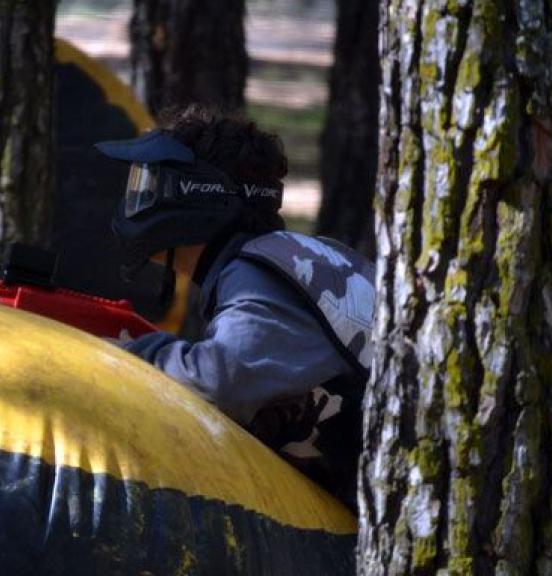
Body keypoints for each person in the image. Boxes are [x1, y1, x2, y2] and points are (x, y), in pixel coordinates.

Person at [94, 106, 375, 509]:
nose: (137, 202)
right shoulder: (294, 258)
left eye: (151, 187)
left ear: (197, 196)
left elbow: (220, 381)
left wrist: (117, 357)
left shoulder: (256, 270)